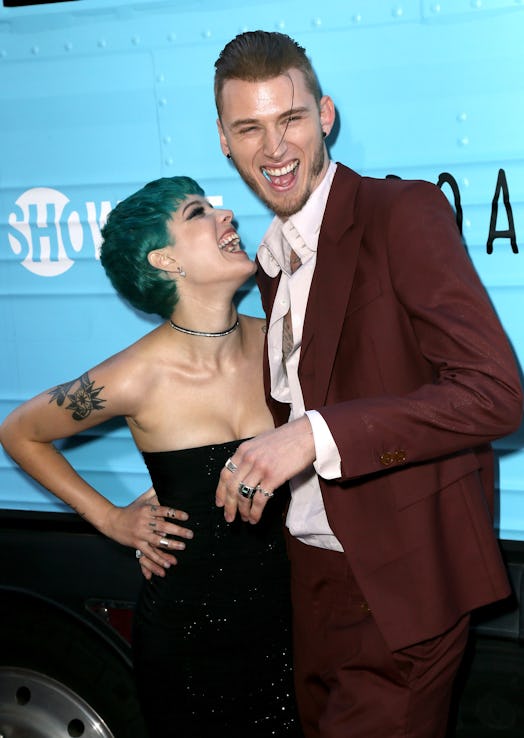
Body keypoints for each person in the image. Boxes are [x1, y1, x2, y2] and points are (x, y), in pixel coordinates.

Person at [212, 30, 524, 738]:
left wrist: (315, 437)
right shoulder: (270, 260)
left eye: (290, 118)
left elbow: (494, 393)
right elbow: (311, 387)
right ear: (226, 144)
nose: (274, 148)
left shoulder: (399, 213)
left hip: (402, 583)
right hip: (309, 574)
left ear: (325, 115)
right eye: (249, 128)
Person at [0, 176, 303, 738]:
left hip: (293, 628)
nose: (227, 215)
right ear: (164, 259)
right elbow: (20, 432)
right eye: (198, 213)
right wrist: (112, 519)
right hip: (188, 645)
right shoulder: (136, 375)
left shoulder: (281, 341)